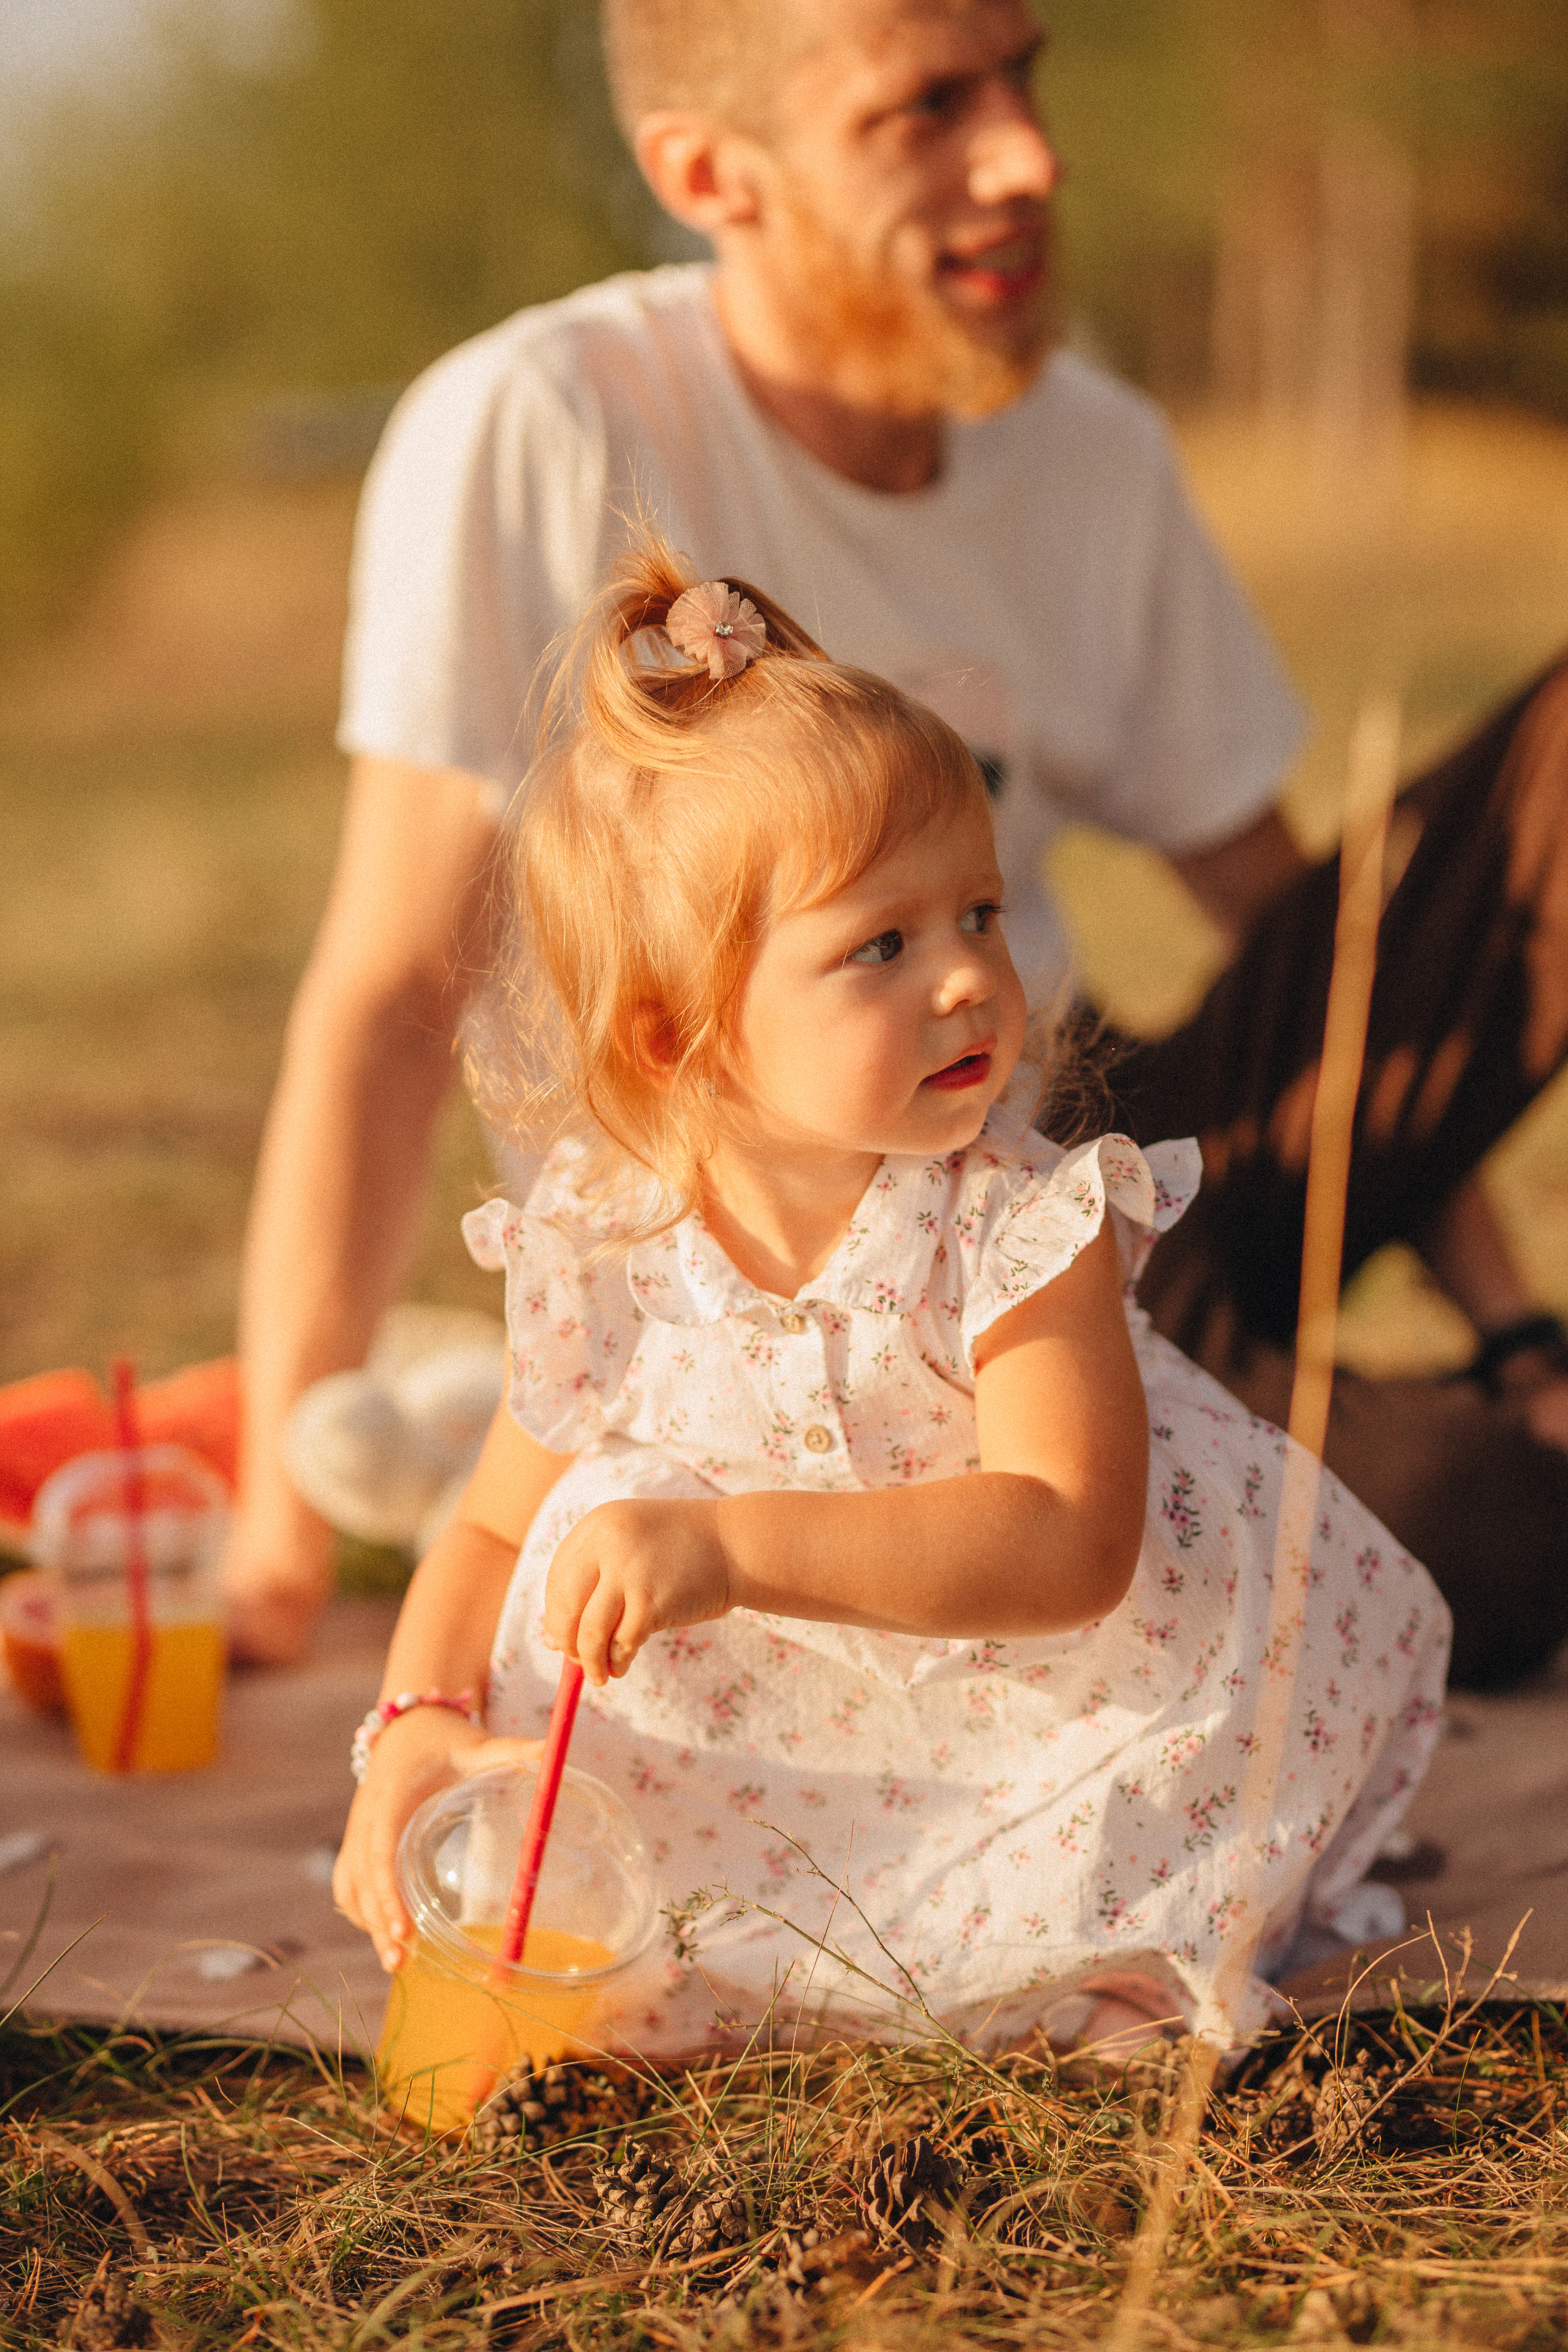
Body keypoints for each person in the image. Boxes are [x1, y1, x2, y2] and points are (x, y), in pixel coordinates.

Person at [227, 0, 1568, 1682]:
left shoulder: (1094, 451)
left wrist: (1516, 1323)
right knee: (1489, 1533)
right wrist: (274, 1539)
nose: (1028, 156)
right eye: (926, 108)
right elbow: (384, 996)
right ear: (715, 173)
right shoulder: (540, 421)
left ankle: (1402, 1409)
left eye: (1024, 75)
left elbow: (1353, 978)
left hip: (1060, 1157)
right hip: (799, 1279)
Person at [333, 544, 1449, 2061]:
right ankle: (752, 1940)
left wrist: (726, 1544)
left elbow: (1067, 1538)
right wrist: (410, 1733)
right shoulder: (603, 1239)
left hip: (1052, 1691)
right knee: (585, 1528)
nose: (966, 981)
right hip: (801, 1753)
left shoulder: (1012, 1221)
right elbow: (480, 1530)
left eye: (979, 914)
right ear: (675, 1041)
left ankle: (1068, 1957)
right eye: (882, 944)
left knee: (1136, 1838)